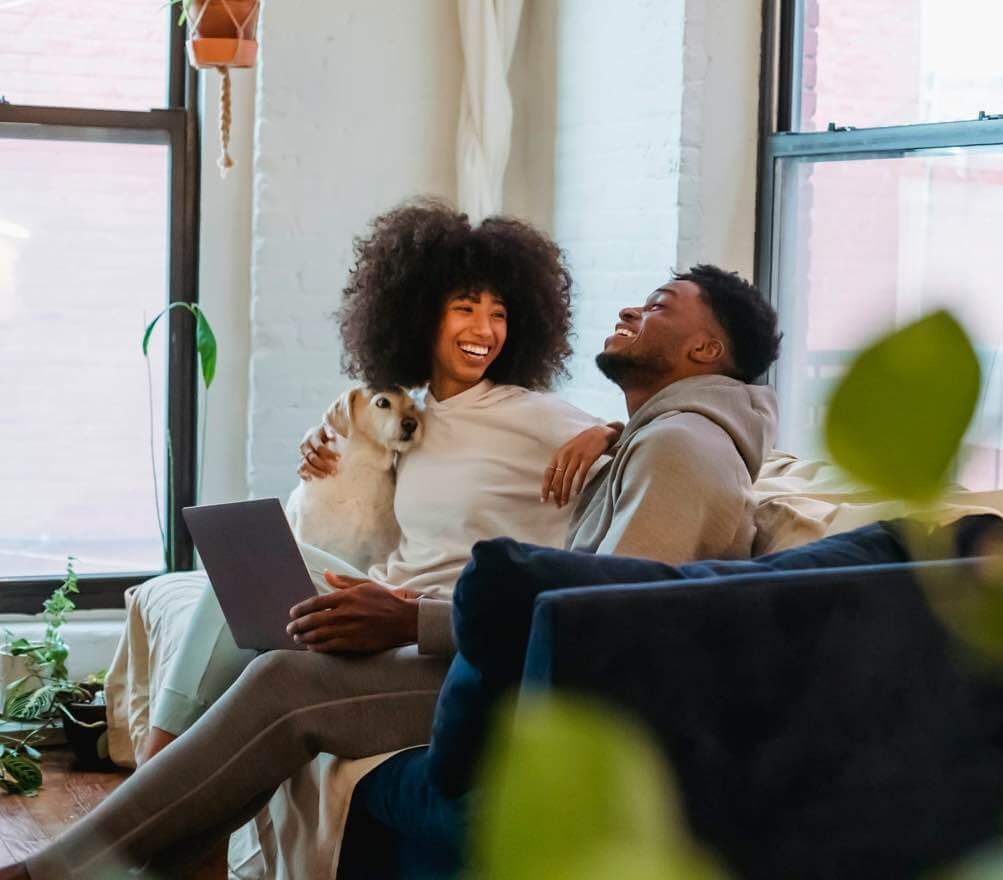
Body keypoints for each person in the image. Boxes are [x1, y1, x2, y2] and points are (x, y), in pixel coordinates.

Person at [6, 264, 782, 880]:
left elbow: (612, 621)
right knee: (265, 626)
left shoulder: (678, 448)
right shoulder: (663, 438)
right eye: (462, 308)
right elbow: (602, 590)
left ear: (704, 352)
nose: (631, 310)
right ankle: (137, 853)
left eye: (658, 305)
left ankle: (60, 869)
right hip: (525, 656)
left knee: (287, 683)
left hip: (563, 697)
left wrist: (414, 619)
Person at [132, 199, 613, 764]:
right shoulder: (415, 416)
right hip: (375, 589)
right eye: (464, 309)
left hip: (428, 620)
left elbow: (652, 446)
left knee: (248, 591)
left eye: (499, 314)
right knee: (243, 555)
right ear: (420, 315)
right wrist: (320, 440)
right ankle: (162, 760)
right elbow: (360, 443)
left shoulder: (530, 413)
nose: (485, 330)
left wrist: (608, 431)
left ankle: (154, 764)